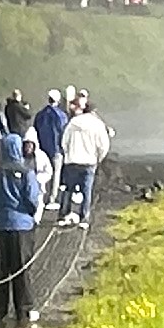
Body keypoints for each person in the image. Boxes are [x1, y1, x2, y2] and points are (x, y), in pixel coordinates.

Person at [0, 126, 51, 328]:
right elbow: (32, 198)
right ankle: (23, 309)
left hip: (2, 225)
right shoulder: (26, 172)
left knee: (0, 270)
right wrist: (27, 213)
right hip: (23, 226)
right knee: (22, 269)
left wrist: (1, 212)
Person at [60, 93, 111, 227]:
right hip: (89, 162)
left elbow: (64, 141)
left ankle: (64, 214)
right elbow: (104, 145)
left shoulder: (73, 122)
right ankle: (84, 218)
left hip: (72, 160)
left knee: (68, 189)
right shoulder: (98, 124)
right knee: (86, 190)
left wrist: (68, 154)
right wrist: (99, 158)